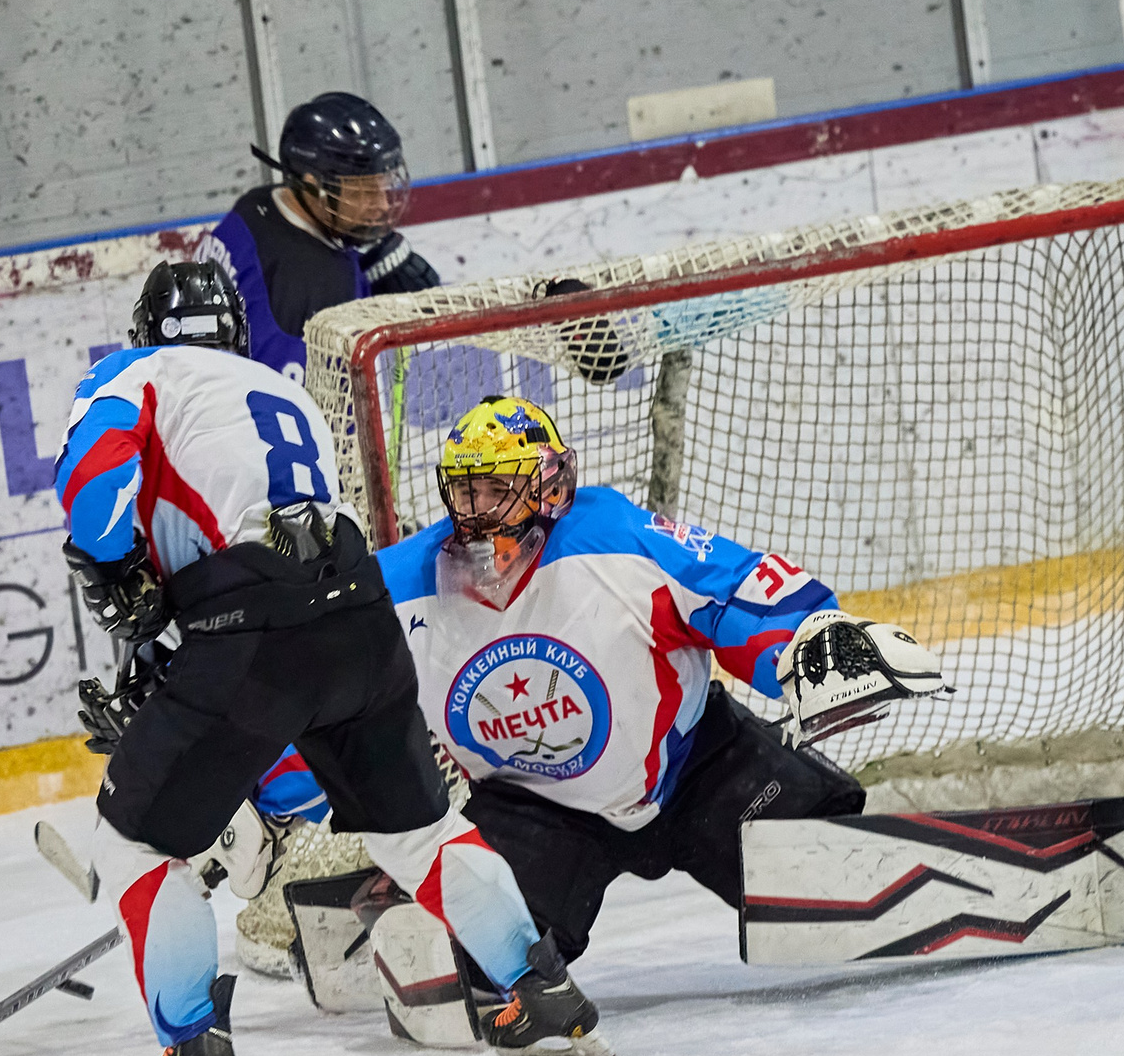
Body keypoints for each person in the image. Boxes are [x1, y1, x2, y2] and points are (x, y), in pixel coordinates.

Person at [55, 261, 607, 1056]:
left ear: (143, 329)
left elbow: (96, 493)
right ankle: (541, 993)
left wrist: (117, 576)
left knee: (133, 839)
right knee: (418, 829)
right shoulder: (278, 388)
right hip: (357, 615)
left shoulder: (132, 375)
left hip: (253, 632)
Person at [361, 395, 949, 967]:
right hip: (534, 808)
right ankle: (407, 898)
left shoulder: (614, 537)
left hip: (697, 769)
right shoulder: (400, 587)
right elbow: (331, 691)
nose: (481, 510)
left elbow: (732, 585)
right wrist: (282, 786)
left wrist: (805, 641)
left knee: (834, 876)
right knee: (487, 964)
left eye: (499, 489)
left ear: (547, 487)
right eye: (468, 491)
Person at [201, 91, 442, 385]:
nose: (380, 204)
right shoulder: (320, 284)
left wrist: (364, 267)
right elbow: (319, 406)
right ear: (313, 186)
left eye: (383, 185)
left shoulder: (257, 206)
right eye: (362, 192)